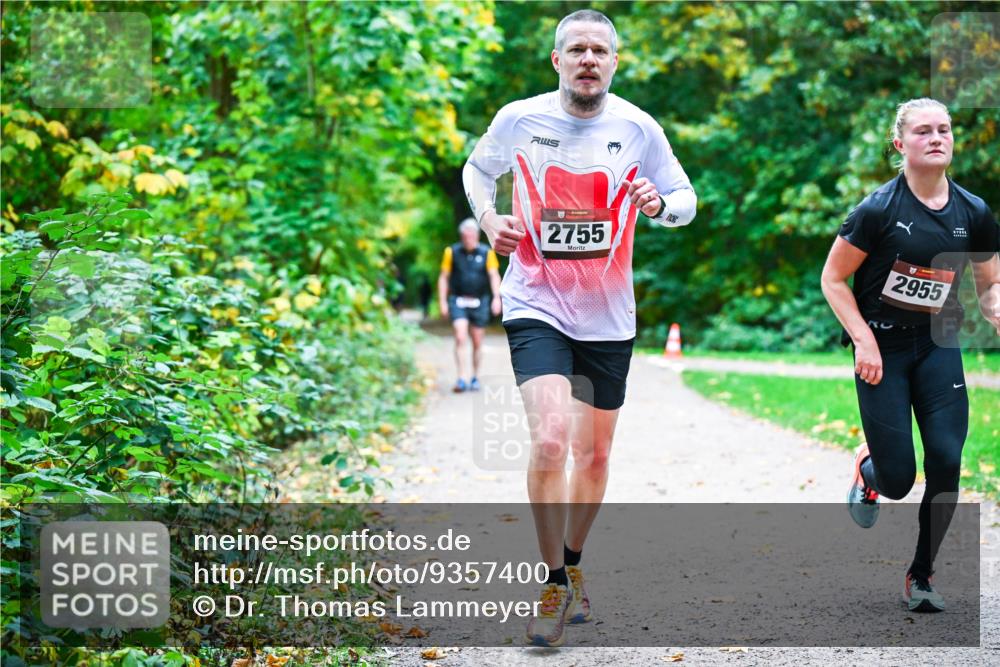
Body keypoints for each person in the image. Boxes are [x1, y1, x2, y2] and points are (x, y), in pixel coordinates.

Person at [462, 9, 696, 646]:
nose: (589, 59)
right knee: (550, 440)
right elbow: (476, 170)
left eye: (601, 50)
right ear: (557, 60)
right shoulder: (519, 118)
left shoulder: (639, 127)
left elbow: (685, 198)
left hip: (608, 314)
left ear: (614, 62)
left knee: (593, 455)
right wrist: (488, 218)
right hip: (535, 301)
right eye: (578, 49)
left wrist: (660, 207)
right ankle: (553, 581)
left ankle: (573, 560)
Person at [821, 98, 999, 613]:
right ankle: (869, 469)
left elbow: (990, 284)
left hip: (939, 343)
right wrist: (863, 340)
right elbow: (832, 279)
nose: (937, 137)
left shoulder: (975, 212)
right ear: (901, 145)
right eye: (924, 131)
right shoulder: (878, 209)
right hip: (883, 347)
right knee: (899, 481)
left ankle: (921, 575)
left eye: (944, 129)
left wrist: (994, 307)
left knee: (946, 459)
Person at [438, 218, 502, 393]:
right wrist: (442, 301)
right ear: (461, 236)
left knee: (477, 341)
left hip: (480, 301)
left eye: (471, 236)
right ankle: (461, 377)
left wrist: (497, 297)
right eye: (465, 236)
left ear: (477, 235)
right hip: (458, 300)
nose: (468, 239)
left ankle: (475, 376)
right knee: (460, 336)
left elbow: (494, 275)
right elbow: (443, 277)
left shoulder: (486, 252)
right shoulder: (451, 252)